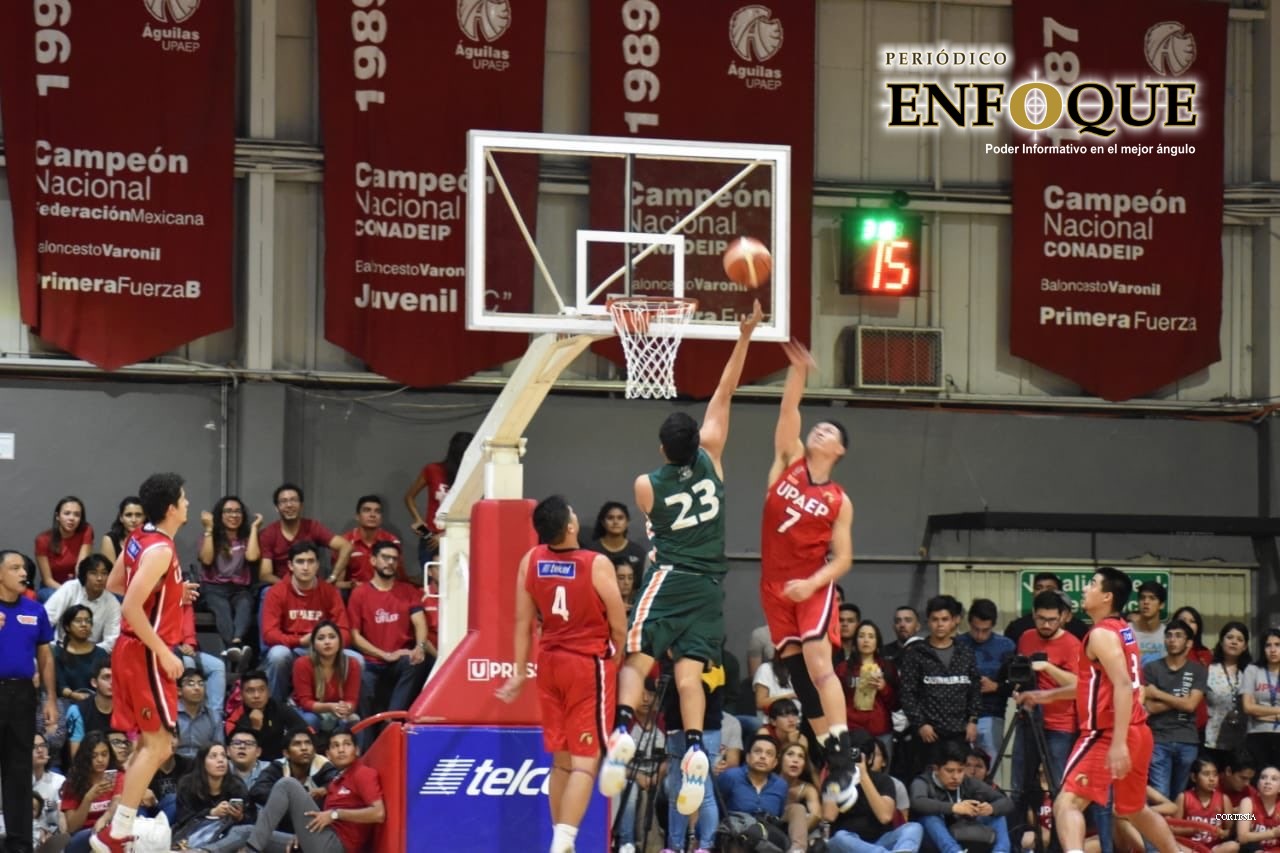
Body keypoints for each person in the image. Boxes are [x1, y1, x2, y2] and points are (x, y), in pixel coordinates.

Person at [602, 301, 762, 817]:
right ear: (697, 443)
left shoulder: (646, 484)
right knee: (690, 676)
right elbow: (724, 391)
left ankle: (623, 729)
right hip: (711, 589)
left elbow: (654, 529)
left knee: (637, 660)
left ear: (662, 448)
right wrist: (744, 335)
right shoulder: (713, 456)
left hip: (670, 578)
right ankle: (696, 746)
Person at [758, 338, 858, 808]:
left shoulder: (839, 500)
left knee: (821, 668)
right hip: (775, 587)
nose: (819, 432)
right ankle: (836, 760)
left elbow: (843, 560)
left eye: (829, 432)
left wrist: (813, 584)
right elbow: (788, 415)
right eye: (816, 428)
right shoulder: (787, 463)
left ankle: (844, 752)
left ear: (839, 451)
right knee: (799, 680)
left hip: (813, 587)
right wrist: (797, 372)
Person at [495, 495, 626, 853]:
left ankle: (560, 837)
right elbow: (618, 625)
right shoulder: (596, 563)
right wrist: (613, 664)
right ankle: (563, 841)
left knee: (563, 763)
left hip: (548, 663)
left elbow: (523, 623)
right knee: (585, 765)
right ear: (570, 527)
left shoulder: (531, 559)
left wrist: (520, 673)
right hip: (586, 664)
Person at [92, 472, 190, 853]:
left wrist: (173, 594)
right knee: (159, 747)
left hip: (132, 651)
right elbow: (130, 605)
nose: (188, 503)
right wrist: (164, 651)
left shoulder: (139, 538)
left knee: (148, 746)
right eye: (184, 498)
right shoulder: (161, 549)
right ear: (171, 508)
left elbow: (117, 583)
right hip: (146, 653)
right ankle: (116, 832)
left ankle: (117, 828)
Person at [1054, 566, 1182, 853]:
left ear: (1107, 596)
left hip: (1108, 733)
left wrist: (1118, 743)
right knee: (1135, 809)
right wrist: (1044, 695)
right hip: (1138, 732)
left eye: (1092, 584)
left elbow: (1123, 686)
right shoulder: (1123, 631)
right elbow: (1098, 686)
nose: (1085, 589)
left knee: (1067, 802)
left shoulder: (1101, 634)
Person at [0, 548, 59, 853]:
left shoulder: (35, 610)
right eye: (14, 568)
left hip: (23, 694)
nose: (24, 573)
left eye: (24, 568)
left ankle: (20, 845)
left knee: (19, 772)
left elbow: (45, 657)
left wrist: (49, 699)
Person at [242, 727, 384, 853]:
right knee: (244, 832)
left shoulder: (362, 773)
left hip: (338, 846)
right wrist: (303, 833)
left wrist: (335, 814)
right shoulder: (336, 781)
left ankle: (251, 851)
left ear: (357, 750)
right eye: (335, 746)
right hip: (323, 837)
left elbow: (378, 813)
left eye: (347, 744)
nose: (341, 750)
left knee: (287, 784)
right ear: (328, 755)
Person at [260, 541, 356, 704]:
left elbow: (344, 632)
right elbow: (269, 634)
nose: (306, 567)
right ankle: (275, 709)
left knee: (357, 661)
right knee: (278, 656)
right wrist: (298, 641)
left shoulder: (329, 592)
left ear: (317, 565)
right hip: (293, 648)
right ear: (290, 565)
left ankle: (345, 715)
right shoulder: (276, 592)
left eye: (311, 562)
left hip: (324, 649)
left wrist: (328, 644)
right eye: (300, 561)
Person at [897, 595, 980, 780]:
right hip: (928, 734)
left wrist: (973, 721)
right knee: (926, 780)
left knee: (958, 779)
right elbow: (907, 693)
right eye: (935, 620)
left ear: (954, 621)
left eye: (944, 619)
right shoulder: (916, 654)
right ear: (928, 622)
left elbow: (974, 689)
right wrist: (921, 724)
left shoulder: (965, 653)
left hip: (959, 733)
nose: (940, 624)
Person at [348, 541, 431, 720]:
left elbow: (420, 622)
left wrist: (420, 646)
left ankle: (390, 721)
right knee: (360, 676)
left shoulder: (408, 591)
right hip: (371, 661)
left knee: (414, 661)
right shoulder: (360, 593)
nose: (390, 562)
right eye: (385, 557)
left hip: (399, 658)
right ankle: (366, 744)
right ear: (373, 560)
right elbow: (354, 636)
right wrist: (383, 654)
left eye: (394, 558)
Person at [826, 731, 924, 853]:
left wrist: (863, 776)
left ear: (869, 757)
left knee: (914, 827)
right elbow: (829, 816)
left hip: (879, 840)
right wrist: (839, 775)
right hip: (846, 845)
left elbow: (885, 817)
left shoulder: (884, 780)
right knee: (840, 837)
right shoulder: (835, 780)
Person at [909, 739, 1013, 853]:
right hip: (933, 839)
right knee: (930, 818)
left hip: (964, 832)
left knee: (998, 814)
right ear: (936, 769)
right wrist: (953, 807)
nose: (956, 777)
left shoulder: (967, 782)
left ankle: (1001, 851)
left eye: (960, 771)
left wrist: (991, 809)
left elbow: (1006, 801)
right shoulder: (923, 781)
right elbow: (917, 802)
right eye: (950, 771)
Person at [1143, 618, 1208, 799]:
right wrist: (1179, 700)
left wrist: (1159, 693)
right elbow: (1149, 707)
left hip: (1187, 738)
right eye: (1169, 635)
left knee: (1180, 796)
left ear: (1188, 643)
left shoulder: (1198, 670)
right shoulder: (1151, 668)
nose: (1172, 640)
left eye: (1178, 636)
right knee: (1160, 794)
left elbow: (1190, 705)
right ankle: (1160, 828)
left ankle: (1175, 828)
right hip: (1158, 738)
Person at [716, 733, 812, 853]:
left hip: (768, 833)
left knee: (797, 808)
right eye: (757, 751)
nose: (762, 757)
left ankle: (797, 850)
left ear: (775, 762)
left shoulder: (780, 785)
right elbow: (716, 808)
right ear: (747, 757)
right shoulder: (731, 776)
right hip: (739, 834)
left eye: (769, 754)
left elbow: (780, 813)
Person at [197, 495, 262, 664]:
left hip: (239, 589)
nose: (233, 515)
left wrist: (254, 528)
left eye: (237, 511)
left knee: (245, 604)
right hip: (213, 588)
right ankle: (235, 648)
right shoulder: (211, 536)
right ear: (220, 514)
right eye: (228, 511)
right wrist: (209, 528)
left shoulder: (246, 537)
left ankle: (235, 644)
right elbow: (206, 559)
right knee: (222, 608)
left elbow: (253, 556)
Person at [404, 431, 473, 577]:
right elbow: (409, 497)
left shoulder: (473, 478)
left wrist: (445, 534)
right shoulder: (433, 470)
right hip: (430, 539)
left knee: (457, 585)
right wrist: (418, 519)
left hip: (459, 538)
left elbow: (474, 514)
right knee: (432, 583)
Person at [257, 484, 351, 586]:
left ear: (301, 505)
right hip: (280, 585)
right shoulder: (269, 533)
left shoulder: (312, 527)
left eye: (294, 500)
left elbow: (346, 546)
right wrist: (292, 587)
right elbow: (265, 574)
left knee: (330, 594)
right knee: (266, 593)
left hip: (310, 584)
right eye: (283, 501)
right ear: (277, 507)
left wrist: (333, 577)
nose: (289, 505)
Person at [958, 598, 1015, 764]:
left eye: (986, 630)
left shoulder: (1006, 646)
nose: (980, 635)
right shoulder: (958, 644)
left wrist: (995, 686)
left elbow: (1016, 685)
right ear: (969, 623)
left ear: (994, 625)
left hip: (992, 713)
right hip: (961, 715)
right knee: (960, 764)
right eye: (976, 629)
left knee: (989, 765)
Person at [838, 620, 899, 761]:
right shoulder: (843, 668)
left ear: (877, 642)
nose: (866, 640)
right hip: (851, 729)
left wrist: (884, 688)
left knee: (882, 774)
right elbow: (836, 700)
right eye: (862, 636)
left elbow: (896, 704)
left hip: (881, 731)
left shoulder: (887, 667)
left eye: (871, 636)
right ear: (855, 641)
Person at [291, 620, 361, 734]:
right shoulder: (302, 664)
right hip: (307, 711)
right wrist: (330, 707)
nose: (327, 642)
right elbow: (305, 702)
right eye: (321, 638)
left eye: (332, 637)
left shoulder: (352, 664)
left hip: (336, 711)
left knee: (354, 721)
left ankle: (355, 752)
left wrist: (346, 707)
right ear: (313, 644)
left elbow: (351, 700)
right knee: (310, 720)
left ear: (340, 641)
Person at [44, 555, 121, 654]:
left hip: (92, 654)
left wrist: (84, 650)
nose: (99, 578)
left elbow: (112, 642)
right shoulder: (70, 588)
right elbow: (46, 619)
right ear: (84, 575)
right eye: (93, 573)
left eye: (104, 573)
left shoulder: (112, 603)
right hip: (62, 649)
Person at [225, 670, 308, 759]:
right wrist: (255, 728)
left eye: (261, 690)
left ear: (268, 692)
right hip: (250, 766)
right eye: (250, 691)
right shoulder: (234, 719)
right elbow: (238, 753)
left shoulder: (279, 708)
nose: (256, 695)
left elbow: (306, 731)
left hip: (279, 762)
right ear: (241, 694)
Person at [59, 731, 120, 850]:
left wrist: (104, 819)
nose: (100, 760)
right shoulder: (73, 783)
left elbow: (117, 801)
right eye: (94, 756)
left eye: (104, 754)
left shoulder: (118, 776)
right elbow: (72, 827)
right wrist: (88, 798)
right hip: (83, 835)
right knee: (92, 836)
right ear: (85, 758)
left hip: (111, 829)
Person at [585, 501, 649, 613]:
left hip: (632, 610)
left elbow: (641, 586)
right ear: (603, 522)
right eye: (610, 518)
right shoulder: (590, 552)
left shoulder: (638, 552)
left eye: (620, 518)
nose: (615, 522)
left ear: (627, 522)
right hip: (597, 610)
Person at [1204, 622, 1252, 768]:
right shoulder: (1208, 669)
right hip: (1212, 739)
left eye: (1239, 639)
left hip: (1243, 740)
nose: (1234, 642)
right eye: (1229, 637)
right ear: (1221, 641)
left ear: (1245, 646)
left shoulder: (1251, 672)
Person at [1172, 758, 1238, 853]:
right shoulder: (1183, 797)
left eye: (1215, 775)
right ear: (1194, 777)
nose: (1212, 779)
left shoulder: (1223, 799)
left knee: (1233, 846)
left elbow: (1229, 830)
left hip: (1213, 848)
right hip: (1189, 847)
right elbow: (1173, 830)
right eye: (1206, 774)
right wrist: (1193, 830)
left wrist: (1222, 833)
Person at [35, 497, 94, 601]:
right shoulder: (42, 540)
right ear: (58, 516)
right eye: (67, 513)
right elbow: (47, 579)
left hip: (78, 584)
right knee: (56, 598)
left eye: (76, 515)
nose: (71, 518)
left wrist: (77, 591)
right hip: (53, 587)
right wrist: (67, 592)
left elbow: (81, 567)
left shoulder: (86, 530)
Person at [54, 606, 111, 711]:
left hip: (97, 705)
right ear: (67, 627)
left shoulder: (101, 653)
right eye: (78, 621)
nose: (84, 625)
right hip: (67, 705)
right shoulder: (58, 653)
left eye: (88, 621)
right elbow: (59, 685)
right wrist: (74, 695)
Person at [338, 495, 402, 588]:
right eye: (367, 510)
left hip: (385, 591)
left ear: (381, 518)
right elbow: (338, 583)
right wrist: (355, 585)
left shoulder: (392, 541)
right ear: (357, 516)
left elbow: (399, 576)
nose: (372, 515)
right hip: (355, 592)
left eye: (377, 511)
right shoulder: (345, 542)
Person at [1244, 629, 1280, 772]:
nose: (1273, 650)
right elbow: (1248, 708)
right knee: (1260, 782)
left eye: (1277, 645)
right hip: (1257, 734)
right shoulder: (1252, 670)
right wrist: (1278, 712)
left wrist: (1259, 711)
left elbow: (1255, 709)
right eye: (1268, 645)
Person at [64, 663, 114, 761]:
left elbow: (134, 746)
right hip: (88, 768)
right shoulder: (77, 711)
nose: (112, 682)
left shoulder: (127, 709)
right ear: (94, 682)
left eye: (116, 677)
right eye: (106, 677)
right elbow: (76, 756)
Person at [176, 668, 223, 761]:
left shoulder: (214, 717)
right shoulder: (170, 715)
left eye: (201, 684)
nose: (197, 688)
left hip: (203, 764)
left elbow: (218, 747)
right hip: (174, 763)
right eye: (191, 684)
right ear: (179, 691)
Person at [1237, 765, 1280, 850]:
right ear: (1258, 784)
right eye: (1263, 777)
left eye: (1274, 779)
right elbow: (1242, 837)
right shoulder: (1247, 803)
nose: (1267, 782)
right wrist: (1273, 833)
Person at [1130, 580, 1168, 663]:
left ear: (1161, 605)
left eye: (1152, 598)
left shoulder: (1168, 634)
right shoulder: (1126, 631)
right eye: (1142, 598)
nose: (1146, 602)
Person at [98, 498, 143, 565]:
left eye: (138, 515)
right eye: (128, 515)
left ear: (145, 517)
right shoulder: (110, 539)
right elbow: (109, 572)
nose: (134, 520)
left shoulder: (151, 538)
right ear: (121, 518)